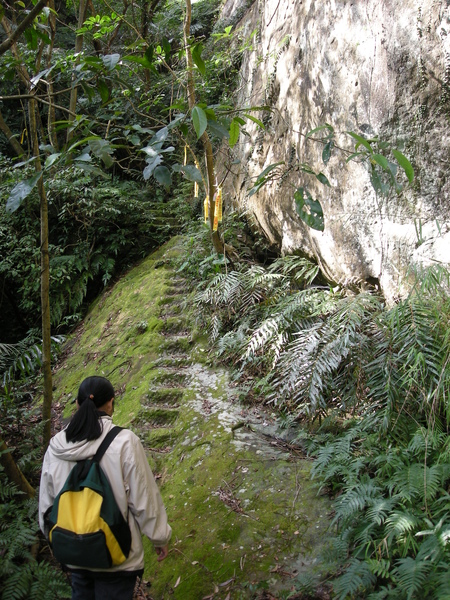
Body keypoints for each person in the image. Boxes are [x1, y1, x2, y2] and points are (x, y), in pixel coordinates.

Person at [39, 376, 172, 600]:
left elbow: (47, 504)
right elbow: (144, 498)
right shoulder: (125, 442)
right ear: (110, 403)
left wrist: (62, 540)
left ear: (77, 404)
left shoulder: (56, 447)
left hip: (75, 553)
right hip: (116, 554)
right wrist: (159, 537)